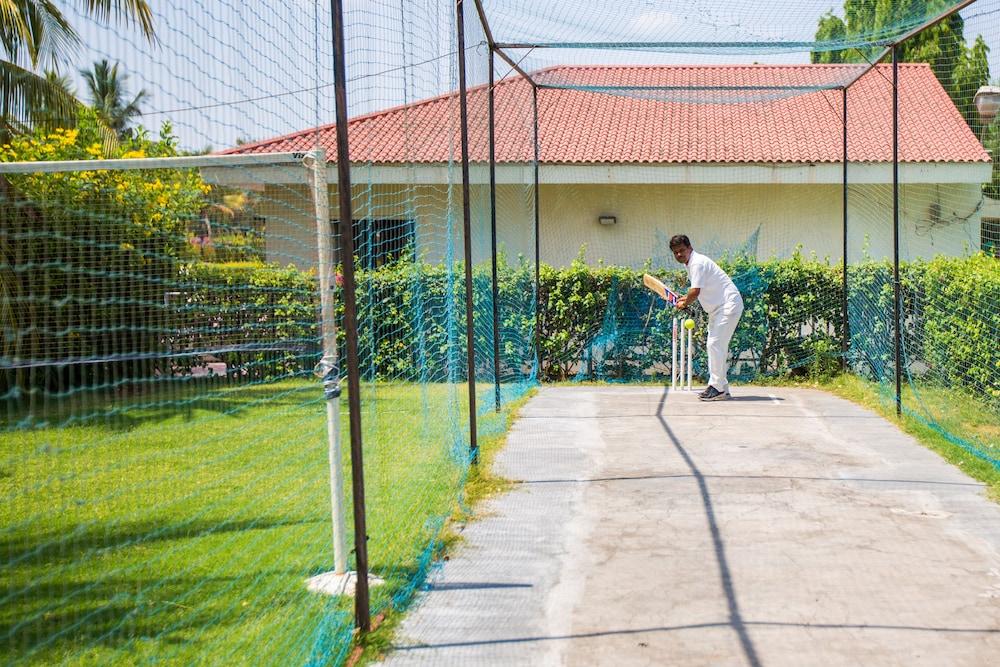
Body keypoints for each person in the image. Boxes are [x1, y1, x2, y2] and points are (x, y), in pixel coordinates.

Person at [670, 235, 743, 401]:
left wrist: (685, 302)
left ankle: (717, 388)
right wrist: (685, 299)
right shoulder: (691, 264)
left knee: (714, 344)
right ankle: (722, 387)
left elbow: (695, 292)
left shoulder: (697, 263)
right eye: (676, 253)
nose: (679, 255)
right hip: (718, 310)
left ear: (689, 248)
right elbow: (695, 291)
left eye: (682, 250)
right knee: (717, 346)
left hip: (727, 306)